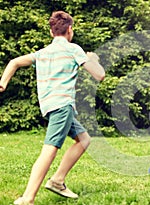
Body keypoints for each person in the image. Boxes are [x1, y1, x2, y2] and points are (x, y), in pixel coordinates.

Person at [0, 11, 105, 205]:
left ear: (51, 32)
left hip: (49, 106)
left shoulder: (43, 53)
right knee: (49, 149)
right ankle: (28, 198)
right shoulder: (73, 49)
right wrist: (94, 60)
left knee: (84, 139)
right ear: (70, 30)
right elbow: (99, 75)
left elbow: (14, 62)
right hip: (62, 105)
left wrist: (3, 83)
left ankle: (57, 180)